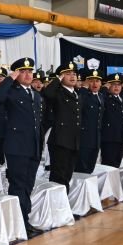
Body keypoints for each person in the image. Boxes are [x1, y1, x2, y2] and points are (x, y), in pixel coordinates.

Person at [0, 57, 43, 238]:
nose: (28, 75)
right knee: (17, 185)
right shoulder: (11, 92)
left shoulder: (35, 95)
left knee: (28, 186)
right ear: (16, 74)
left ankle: (25, 219)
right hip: (17, 148)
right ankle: (19, 222)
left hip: (33, 148)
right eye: (23, 71)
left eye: (30, 71)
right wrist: (9, 79)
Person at [42, 62, 81, 193]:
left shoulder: (77, 94)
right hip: (60, 141)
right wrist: (57, 79)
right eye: (68, 74)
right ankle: (57, 206)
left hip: (73, 140)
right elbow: (47, 93)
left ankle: (63, 205)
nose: (72, 76)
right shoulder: (58, 92)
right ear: (61, 77)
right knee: (59, 176)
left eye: (74, 74)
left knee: (67, 175)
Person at [76, 69, 104, 173]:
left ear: (101, 83)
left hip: (96, 139)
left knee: (91, 168)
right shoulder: (82, 95)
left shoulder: (100, 97)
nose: (94, 83)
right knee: (81, 169)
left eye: (97, 81)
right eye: (91, 81)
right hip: (84, 139)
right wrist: (84, 88)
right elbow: (78, 103)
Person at [100, 73, 123, 168]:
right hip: (109, 137)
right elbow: (100, 98)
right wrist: (104, 88)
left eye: (119, 85)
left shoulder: (121, 98)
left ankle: (114, 182)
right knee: (108, 164)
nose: (117, 87)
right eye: (113, 85)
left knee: (117, 163)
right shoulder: (105, 97)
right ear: (108, 86)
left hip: (120, 137)